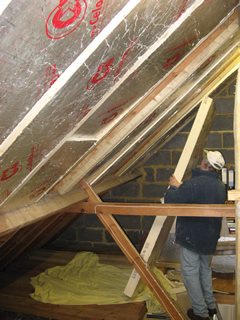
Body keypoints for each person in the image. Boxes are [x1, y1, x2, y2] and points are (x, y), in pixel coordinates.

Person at [164, 150, 226, 320]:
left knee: (190, 273)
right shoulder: (220, 186)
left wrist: (174, 187)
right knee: (204, 270)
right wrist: (182, 186)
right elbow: (200, 193)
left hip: (192, 237)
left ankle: (200, 313)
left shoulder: (193, 185)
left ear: (204, 165)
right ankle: (210, 306)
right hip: (209, 238)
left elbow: (171, 200)